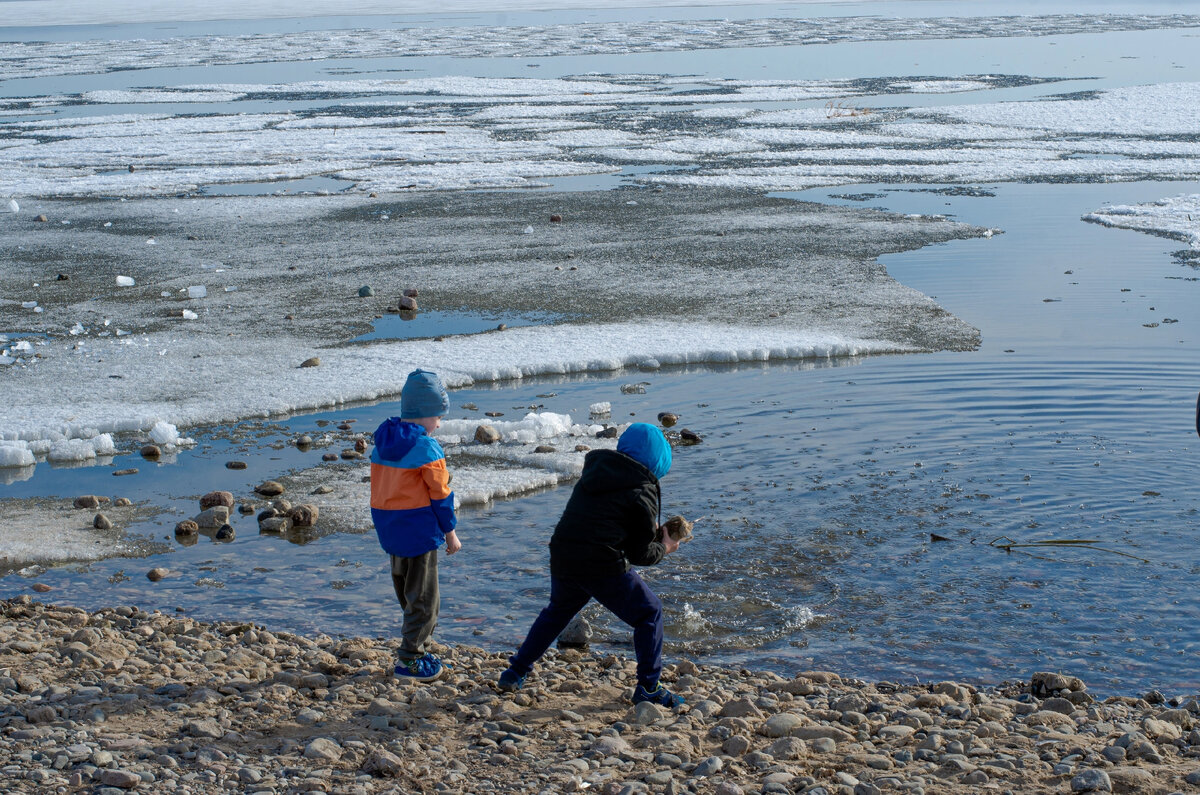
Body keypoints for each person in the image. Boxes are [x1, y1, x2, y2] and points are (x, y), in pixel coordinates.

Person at [497, 422, 683, 707]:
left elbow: (600, 518)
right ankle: (648, 686)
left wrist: (646, 531)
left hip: (564, 551)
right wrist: (665, 547)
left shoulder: (596, 472)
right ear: (657, 464)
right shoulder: (643, 488)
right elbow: (640, 553)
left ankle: (515, 671)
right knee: (650, 612)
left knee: (557, 612)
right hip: (601, 562)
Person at [370, 369, 461, 681]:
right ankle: (409, 659)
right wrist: (450, 532)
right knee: (425, 600)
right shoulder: (426, 448)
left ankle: (417, 647)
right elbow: (441, 496)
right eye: (438, 416)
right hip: (419, 533)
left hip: (390, 529)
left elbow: (380, 488)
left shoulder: (383, 442)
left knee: (407, 594)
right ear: (426, 415)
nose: (439, 424)